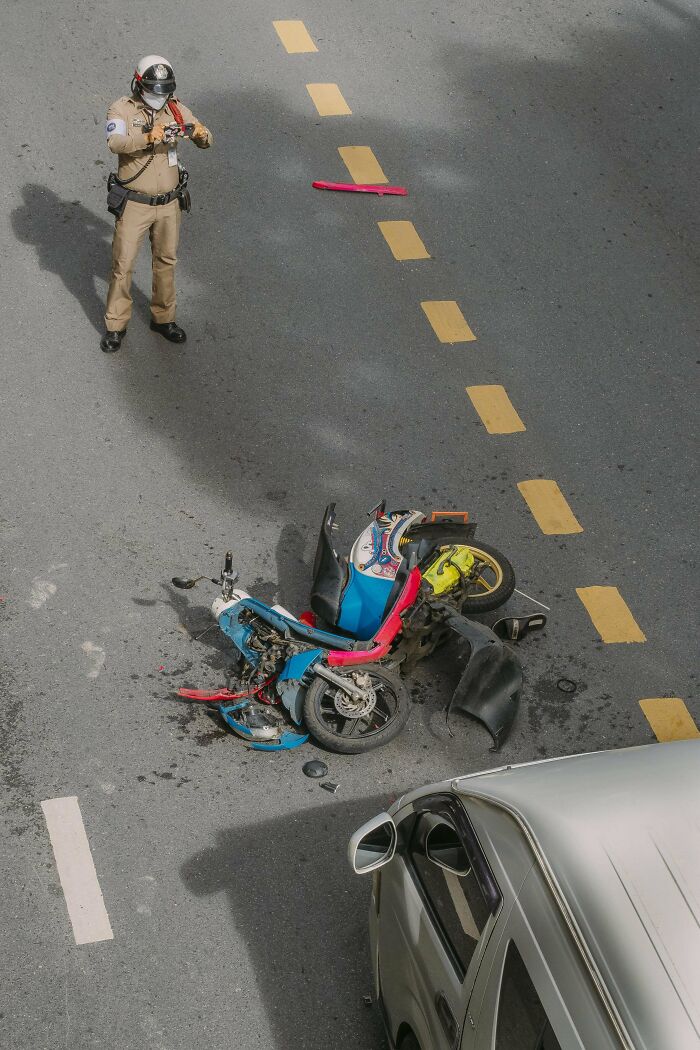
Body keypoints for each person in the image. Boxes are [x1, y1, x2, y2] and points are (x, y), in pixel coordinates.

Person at [101, 55, 212, 352]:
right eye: (154, 90)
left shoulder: (175, 107)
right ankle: (115, 324)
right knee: (122, 265)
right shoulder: (121, 109)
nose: (159, 97)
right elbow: (115, 143)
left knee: (166, 261)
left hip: (168, 204)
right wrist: (148, 137)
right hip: (135, 203)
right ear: (139, 84)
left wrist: (201, 135)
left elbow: (206, 136)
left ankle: (164, 317)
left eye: (164, 91)